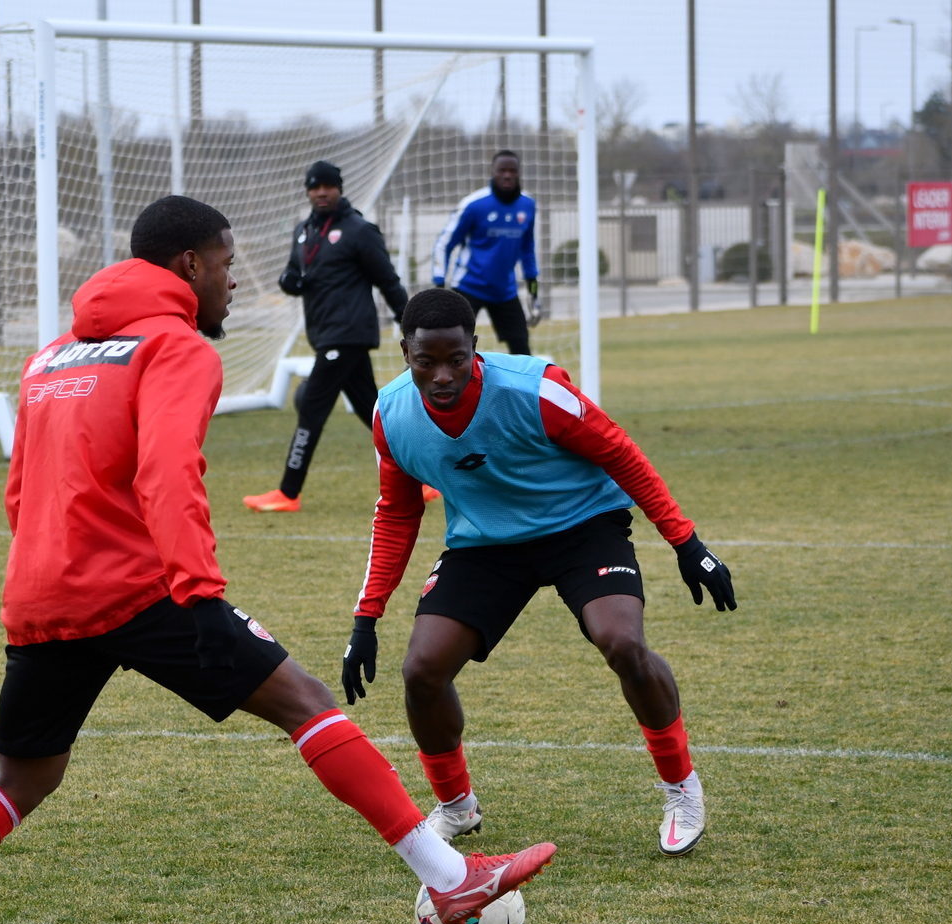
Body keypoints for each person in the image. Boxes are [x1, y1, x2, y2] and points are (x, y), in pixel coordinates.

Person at [0, 199, 554, 924]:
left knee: (25, 775)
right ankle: (453, 879)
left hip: (41, 592)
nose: (233, 281)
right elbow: (168, 473)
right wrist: (201, 593)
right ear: (188, 266)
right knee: (306, 701)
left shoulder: (49, 358)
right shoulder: (175, 348)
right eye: (225, 262)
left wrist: (56, 571)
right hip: (142, 591)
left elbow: (21, 492)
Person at [340, 288, 735, 862]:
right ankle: (457, 806)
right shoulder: (390, 414)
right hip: (486, 544)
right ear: (403, 351)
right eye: (426, 361)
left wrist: (686, 542)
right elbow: (397, 512)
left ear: (476, 347)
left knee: (622, 641)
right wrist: (366, 616)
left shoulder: (536, 389)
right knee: (422, 669)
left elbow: (621, 453)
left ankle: (681, 789)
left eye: (456, 359)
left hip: (582, 526)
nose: (443, 375)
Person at [243, 160, 419, 514]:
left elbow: (388, 280)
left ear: (339, 188)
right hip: (324, 333)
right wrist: (288, 282)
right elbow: (295, 273)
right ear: (307, 191)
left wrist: (412, 325)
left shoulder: (358, 230)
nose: (321, 192)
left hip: (348, 333)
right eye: (314, 187)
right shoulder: (303, 231)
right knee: (375, 412)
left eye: (328, 186)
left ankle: (288, 492)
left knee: (311, 406)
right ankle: (422, 480)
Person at [431, 150, 540, 356]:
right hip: (469, 287)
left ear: (519, 173)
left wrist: (533, 291)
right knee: (442, 342)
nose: (507, 175)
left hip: (505, 291)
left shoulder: (528, 205)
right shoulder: (474, 205)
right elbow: (443, 244)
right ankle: (408, 385)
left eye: (512, 171)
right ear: (493, 172)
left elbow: (528, 250)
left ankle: (522, 389)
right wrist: (439, 284)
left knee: (522, 350)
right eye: (502, 170)